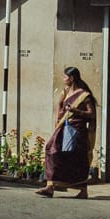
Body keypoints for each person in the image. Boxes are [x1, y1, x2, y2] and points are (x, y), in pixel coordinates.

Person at [36, 67, 96, 198]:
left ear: (72, 78)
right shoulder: (66, 92)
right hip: (63, 128)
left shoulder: (84, 95)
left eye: (65, 77)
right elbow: (61, 107)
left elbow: (91, 114)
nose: (63, 80)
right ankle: (50, 186)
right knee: (52, 150)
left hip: (76, 131)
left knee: (77, 159)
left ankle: (82, 190)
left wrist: (76, 111)